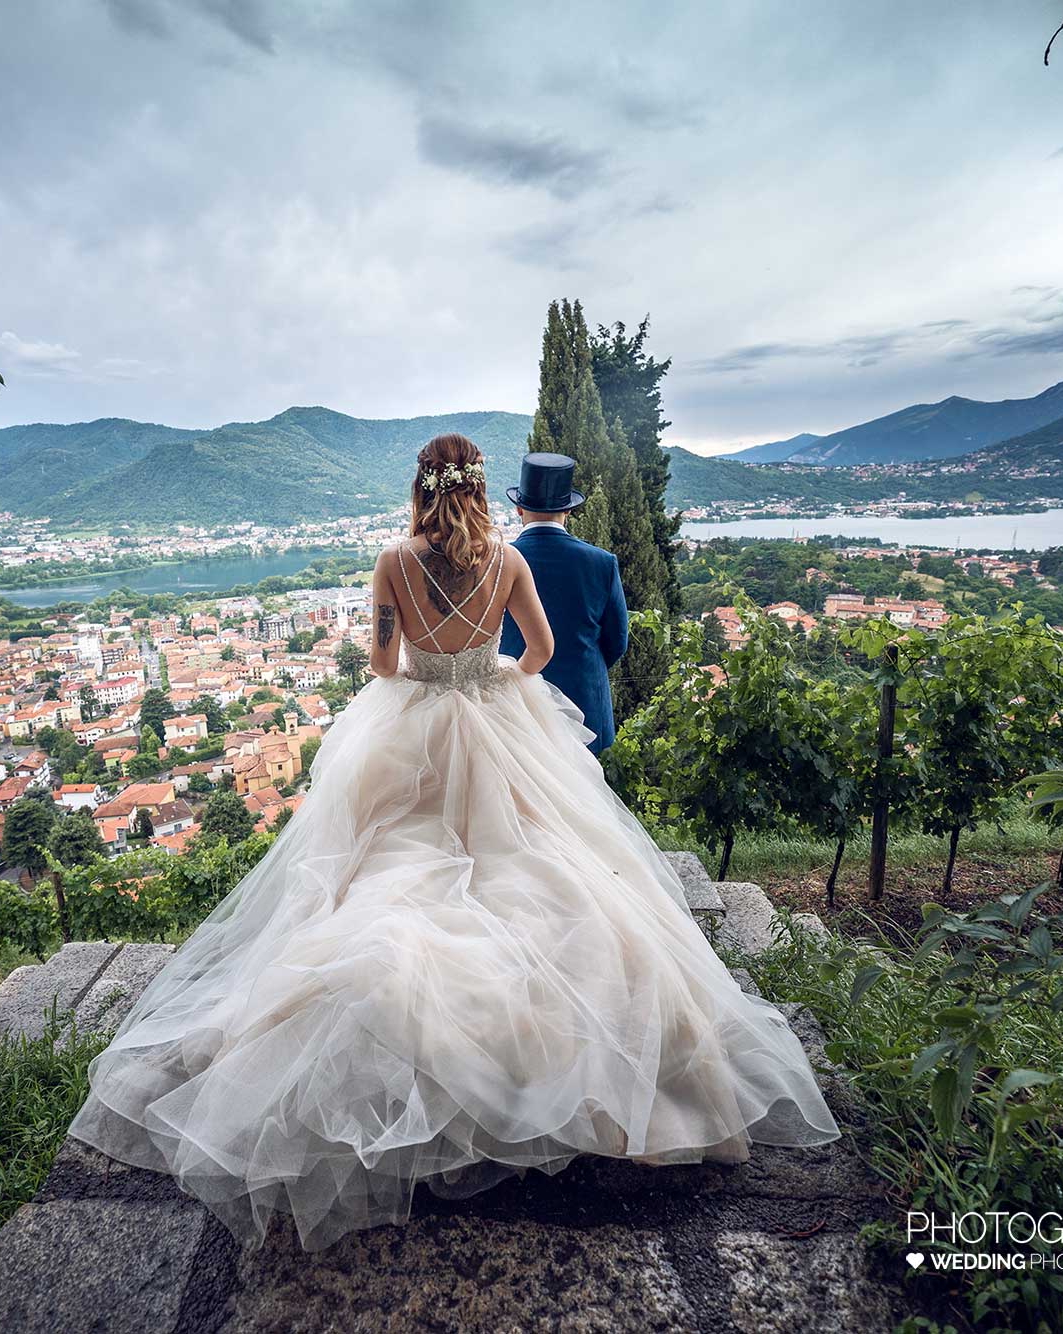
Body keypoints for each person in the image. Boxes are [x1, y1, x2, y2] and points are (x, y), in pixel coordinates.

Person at [67, 432, 838, 1252]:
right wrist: (491, 678)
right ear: (477, 489)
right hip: (497, 716)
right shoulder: (508, 562)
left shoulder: (394, 562)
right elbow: (540, 652)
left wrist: (429, 672)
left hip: (416, 724)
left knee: (390, 849)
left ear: (421, 488)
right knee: (542, 853)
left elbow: (382, 662)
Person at [496, 451, 627, 755]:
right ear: (568, 510)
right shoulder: (602, 563)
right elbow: (617, 641)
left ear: (519, 508)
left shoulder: (498, 562)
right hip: (585, 705)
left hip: (515, 707)